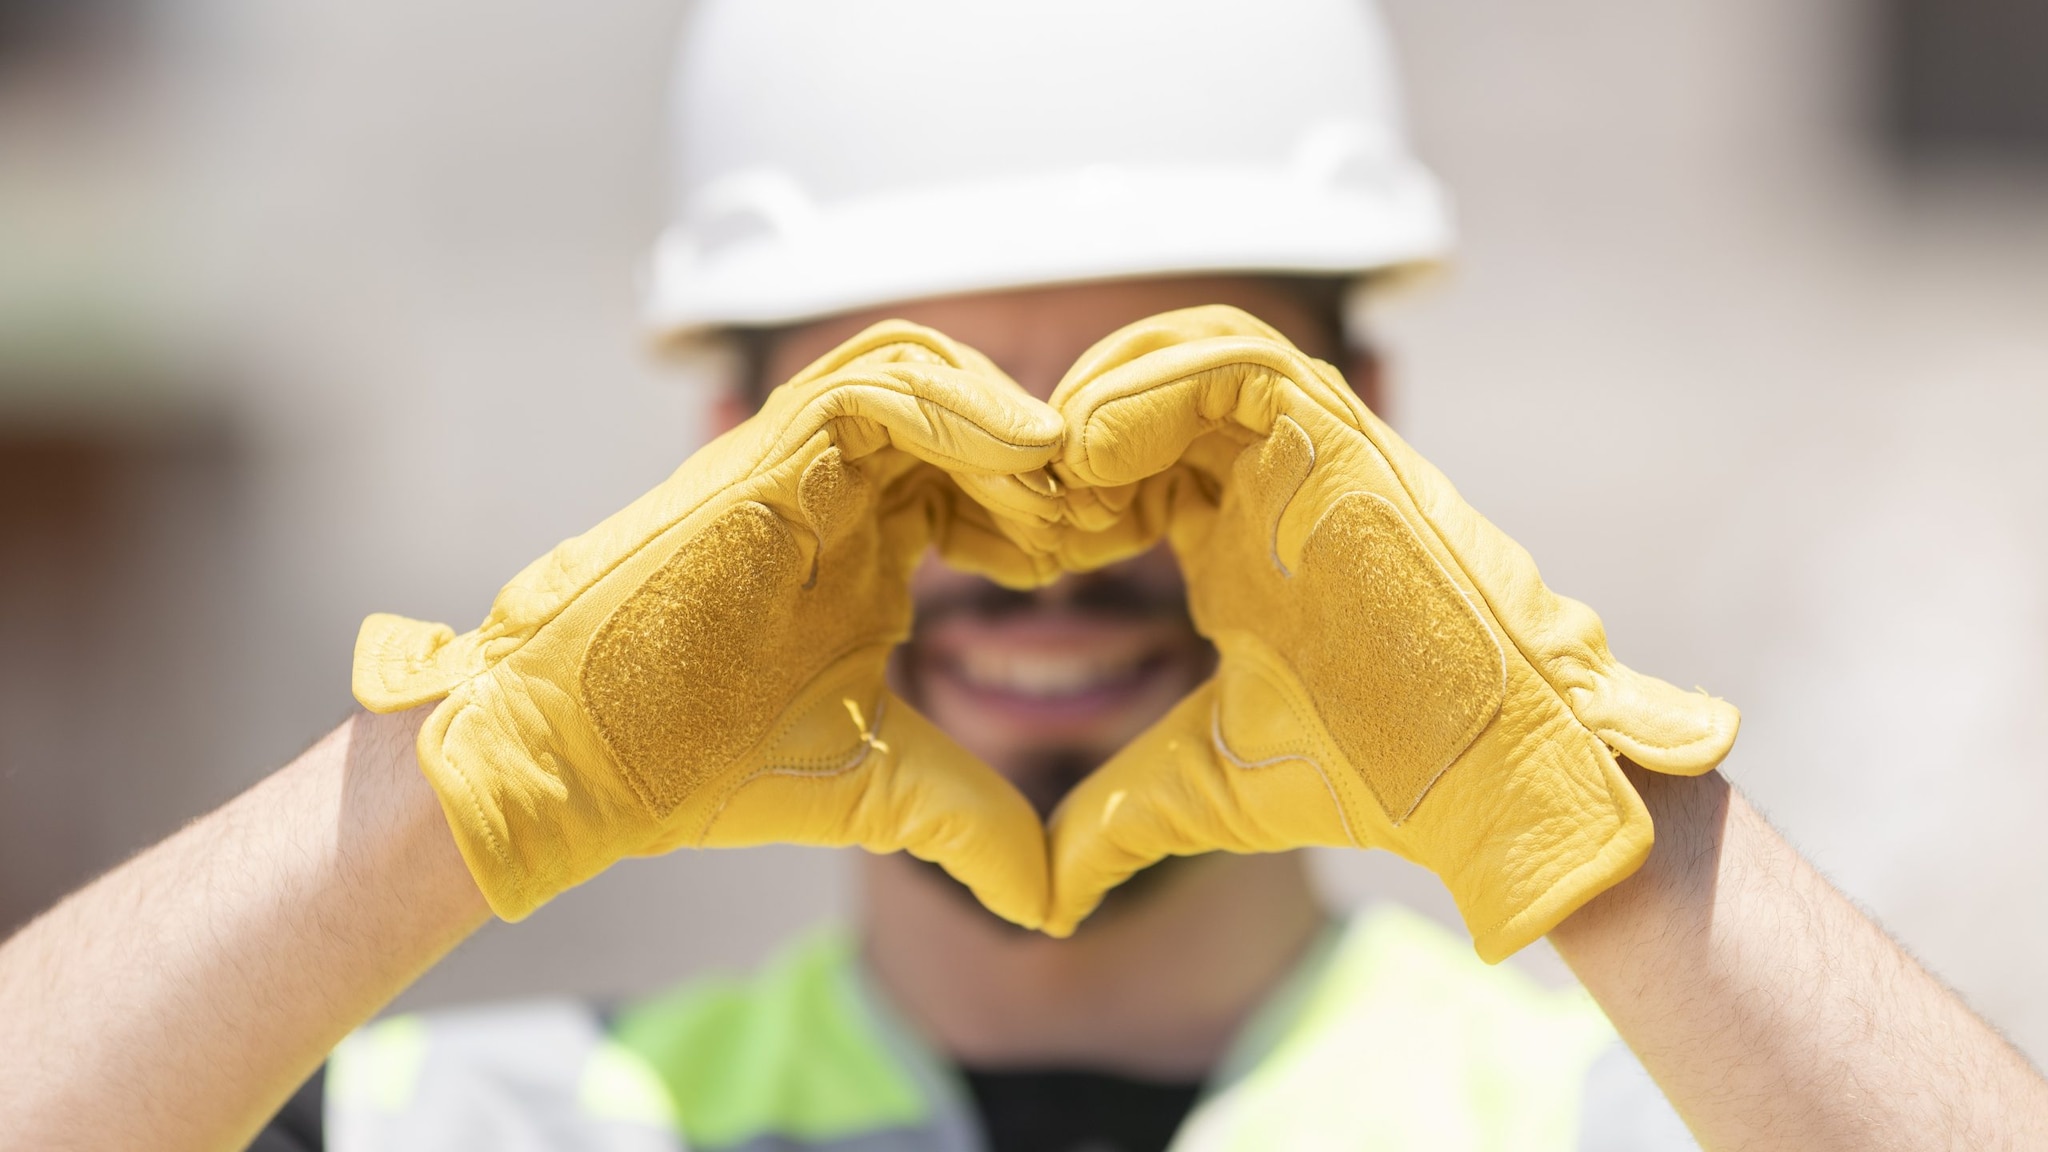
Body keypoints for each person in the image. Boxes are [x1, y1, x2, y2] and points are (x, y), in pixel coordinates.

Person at [3, 3, 2046, 1151]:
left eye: (1171, 431)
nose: (1039, 548)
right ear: (719, 467)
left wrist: (1592, 821)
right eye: (906, 449)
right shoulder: (497, 1124)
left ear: (1374, 439)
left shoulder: (1641, 1115)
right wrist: (465, 786)